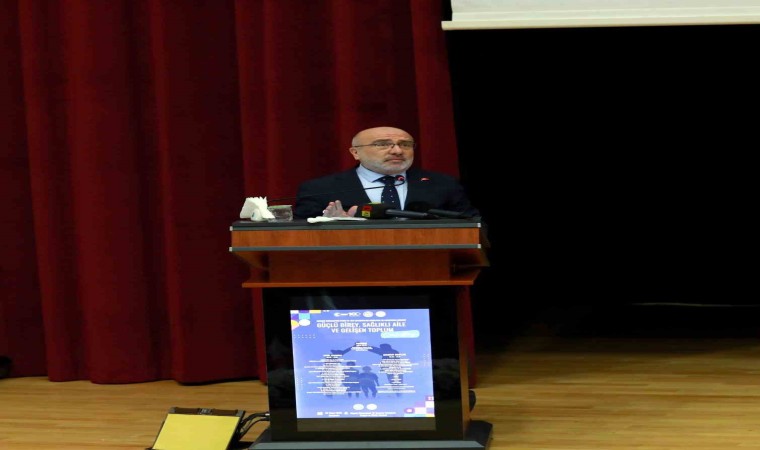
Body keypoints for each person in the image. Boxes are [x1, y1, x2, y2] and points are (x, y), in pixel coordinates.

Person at [293, 126, 481, 220]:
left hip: (429, 270)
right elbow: (298, 235)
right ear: (355, 152)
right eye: (383, 145)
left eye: (405, 145)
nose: (398, 151)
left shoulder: (443, 184)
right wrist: (335, 227)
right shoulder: (320, 189)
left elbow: (474, 224)